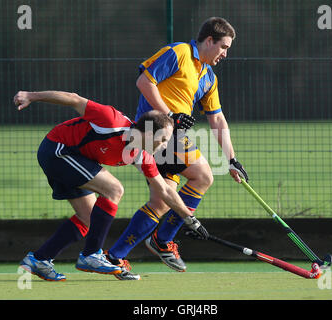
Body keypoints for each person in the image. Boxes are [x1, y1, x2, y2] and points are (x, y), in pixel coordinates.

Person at [14, 90, 209, 281]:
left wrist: (189, 218)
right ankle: (91, 255)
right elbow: (74, 99)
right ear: (149, 132)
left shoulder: (143, 156)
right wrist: (32, 96)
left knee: (88, 218)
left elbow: (164, 190)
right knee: (114, 189)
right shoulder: (112, 121)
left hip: (77, 160)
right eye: (164, 139)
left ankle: (39, 259)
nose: (166, 145)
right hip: (58, 150)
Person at [105, 17, 249, 273]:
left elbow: (217, 118)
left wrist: (232, 160)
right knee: (203, 176)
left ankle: (114, 256)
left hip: (171, 135)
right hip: (155, 131)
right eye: (223, 47)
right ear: (208, 41)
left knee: (161, 203)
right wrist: (169, 115)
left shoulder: (208, 77)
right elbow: (144, 82)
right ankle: (162, 240)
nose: (225, 54)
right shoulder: (179, 53)